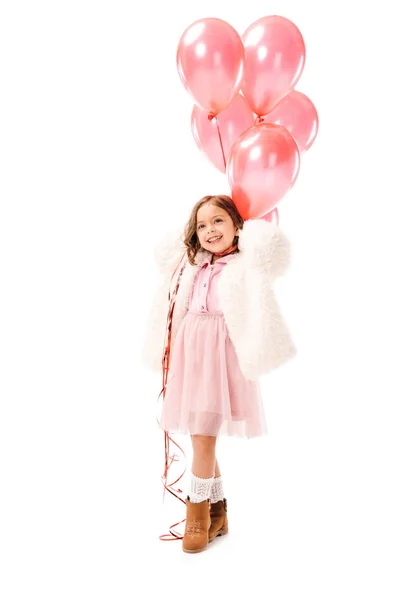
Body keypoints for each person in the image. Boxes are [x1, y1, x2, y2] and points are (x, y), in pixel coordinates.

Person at [142, 194, 296, 553]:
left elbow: (271, 258)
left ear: (237, 226)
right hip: (192, 352)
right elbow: (170, 282)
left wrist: (253, 234)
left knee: (202, 436)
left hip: (221, 355)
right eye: (202, 224)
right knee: (202, 435)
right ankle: (218, 511)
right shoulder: (192, 264)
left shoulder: (245, 265)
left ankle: (197, 516)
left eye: (218, 221)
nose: (209, 230)